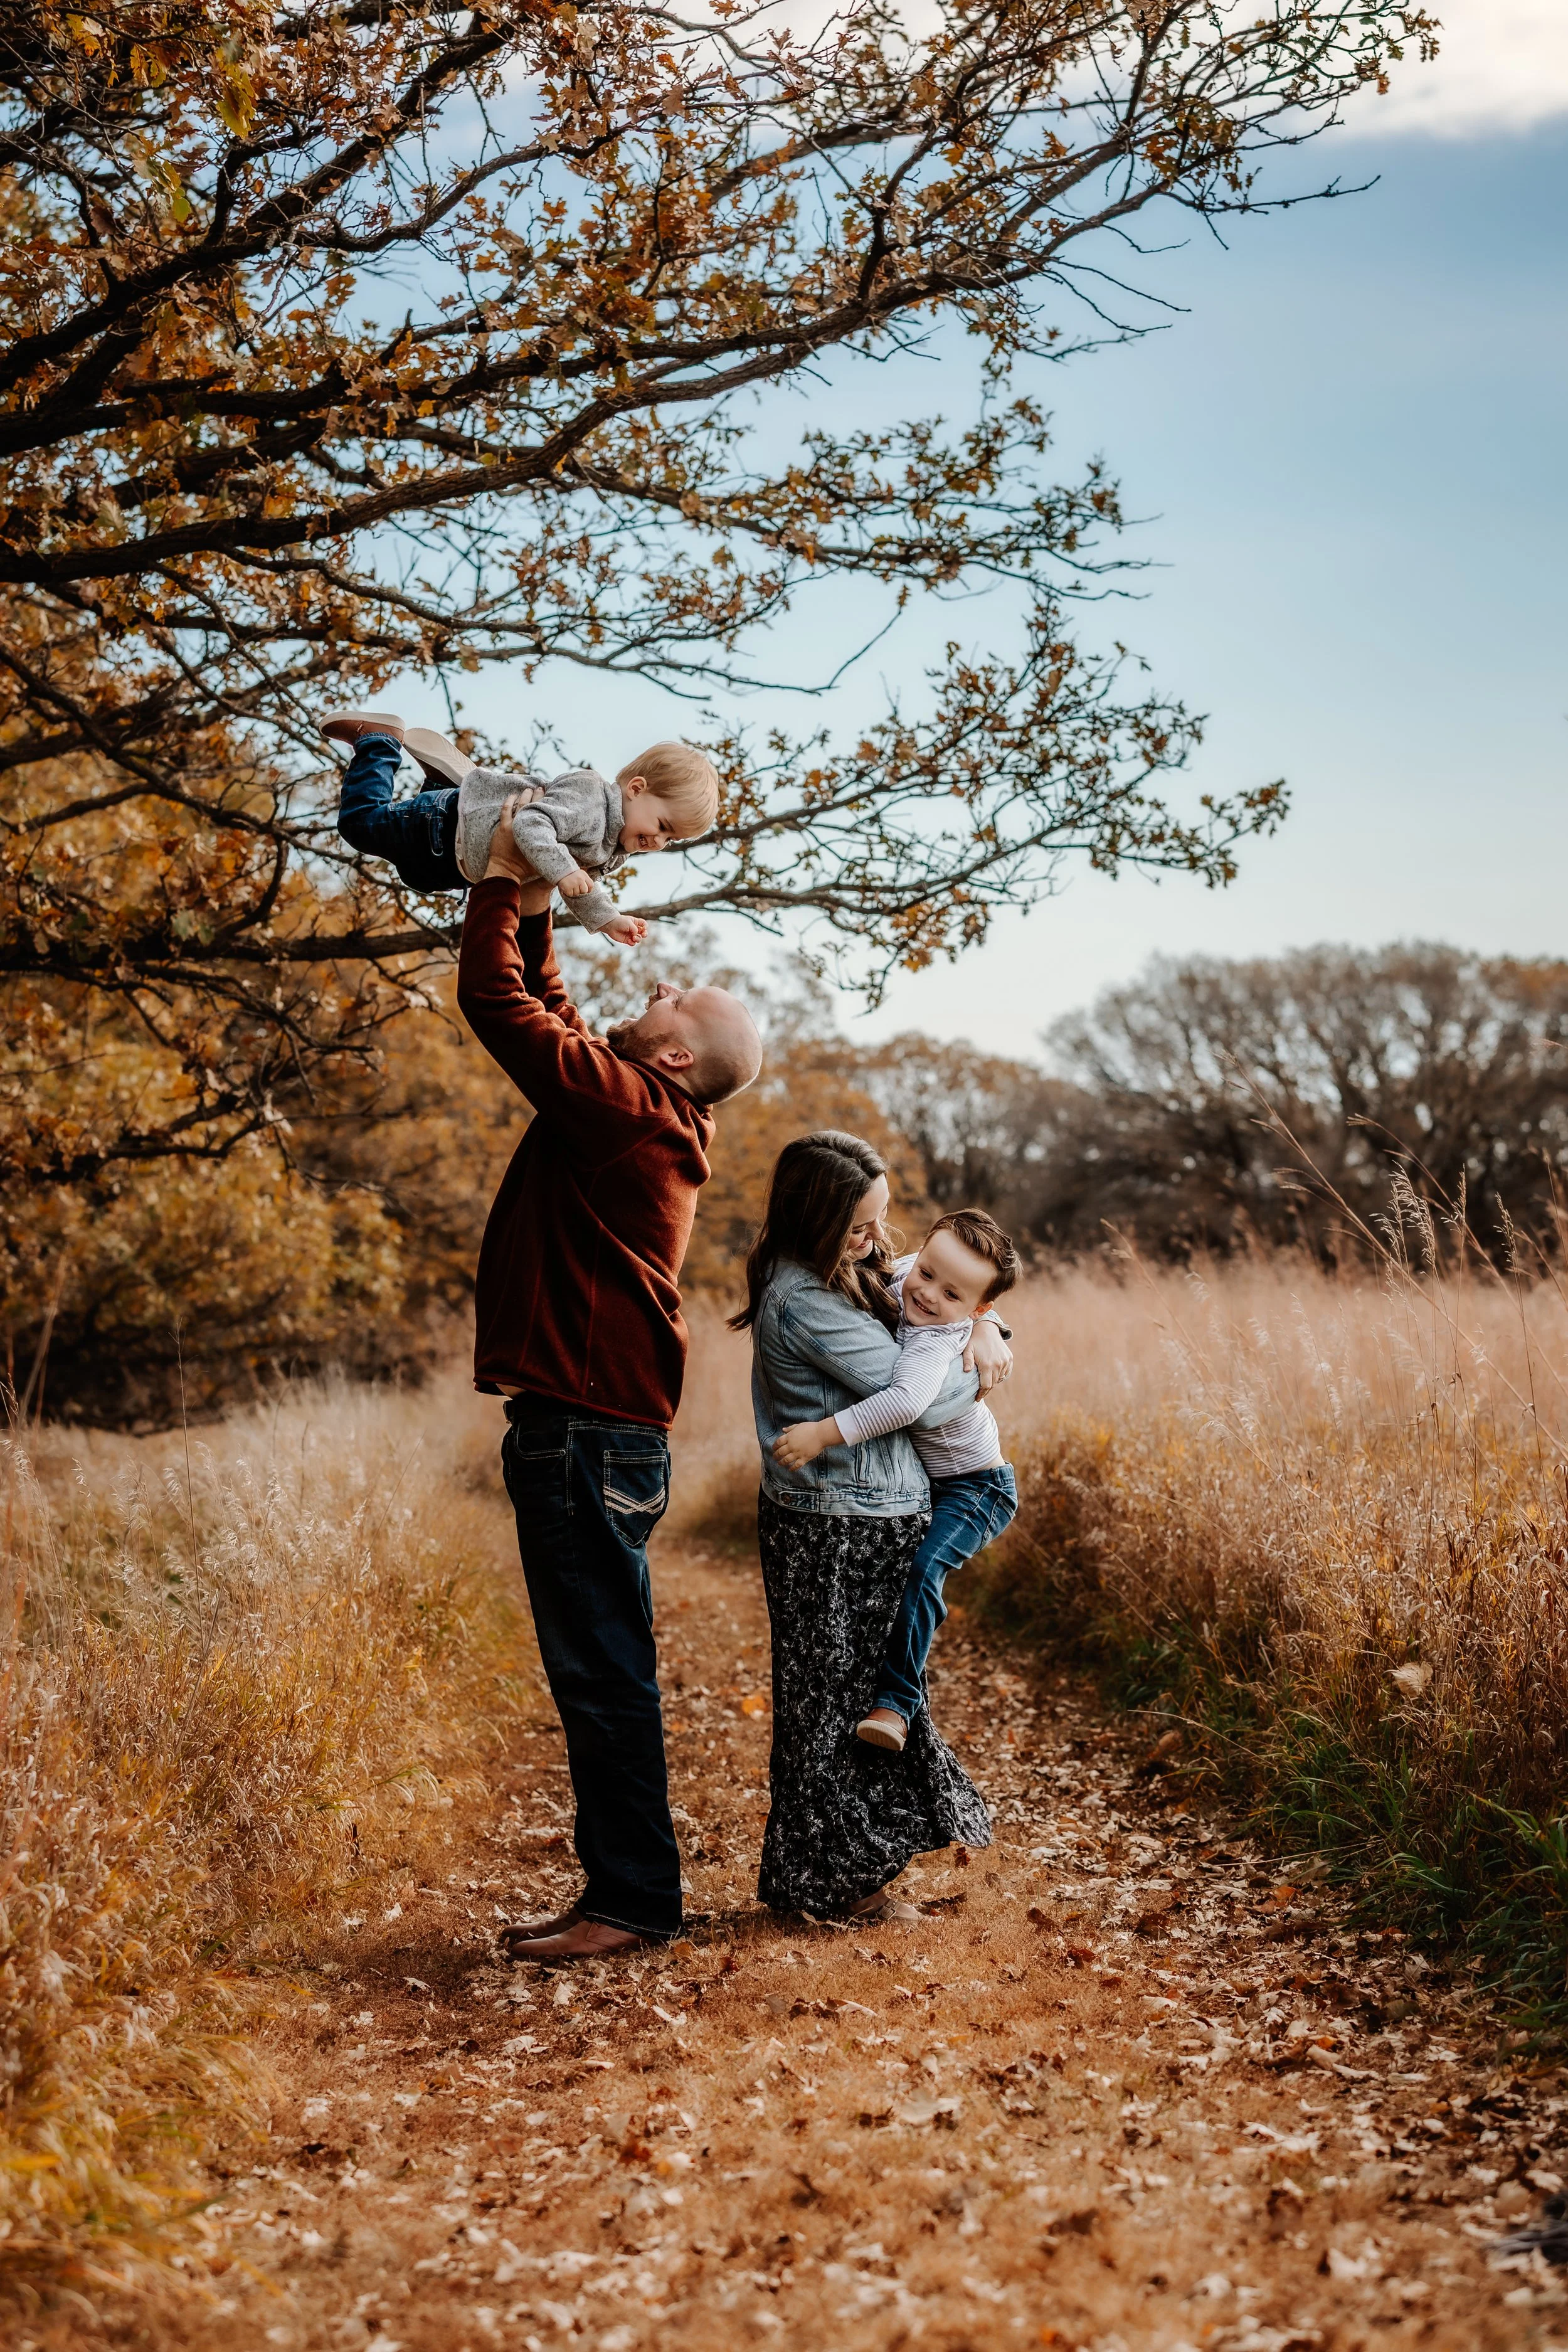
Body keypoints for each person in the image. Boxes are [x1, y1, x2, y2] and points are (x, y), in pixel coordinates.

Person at [457, 797, 762, 1961]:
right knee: (603, 1664)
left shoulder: (631, 1109)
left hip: (585, 1432)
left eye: (670, 1004)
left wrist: (496, 875)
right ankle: (631, 1893)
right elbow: (550, 1002)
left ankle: (631, 1902)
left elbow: (498, 1006)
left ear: (677, 1055)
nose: (654, 992)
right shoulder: (638, 1105)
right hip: (594, 1428)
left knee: (599, 1671)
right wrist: (534, 903)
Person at [734, 1133, 1013, 1921]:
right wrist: (986, 1344)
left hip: (864, 1518)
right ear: (814, 1216)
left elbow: (933, 1319)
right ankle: (834, 1889)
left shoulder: (842, 1270)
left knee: (853, 1699)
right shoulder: (808, 1301)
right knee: (830, 1706)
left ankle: (845, 1883)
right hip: (836, 1527)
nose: (877, 1240)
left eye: (882, 1220)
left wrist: (985, 1324)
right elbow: (923, 1394)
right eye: (860, 1225)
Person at [773, 1209, 1020, 1755]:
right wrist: (986, 1320)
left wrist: (822, 1434)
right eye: (928, 1273)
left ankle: (896, 1704)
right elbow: (918, 1275)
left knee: (924, 1569)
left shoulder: (934, 1345)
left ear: (973, 1305)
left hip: (978, 1488)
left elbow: (907, 1404)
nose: (928, 1294)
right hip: (938, 1482)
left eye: (953, 1296)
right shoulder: (914, 1272)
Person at [321, 711, 721, 946]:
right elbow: (531, 823)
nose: (659, 842)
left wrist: (607, 919)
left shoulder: (609, 847)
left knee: (418, 875)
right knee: (361, 826)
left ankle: (450, 784)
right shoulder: (591, 799)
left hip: (460, 856)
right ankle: (379, 742)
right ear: (637, 789)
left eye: (672, 840)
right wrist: (566, 870)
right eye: (663, 825)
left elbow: (575, 888)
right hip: (444, 826)